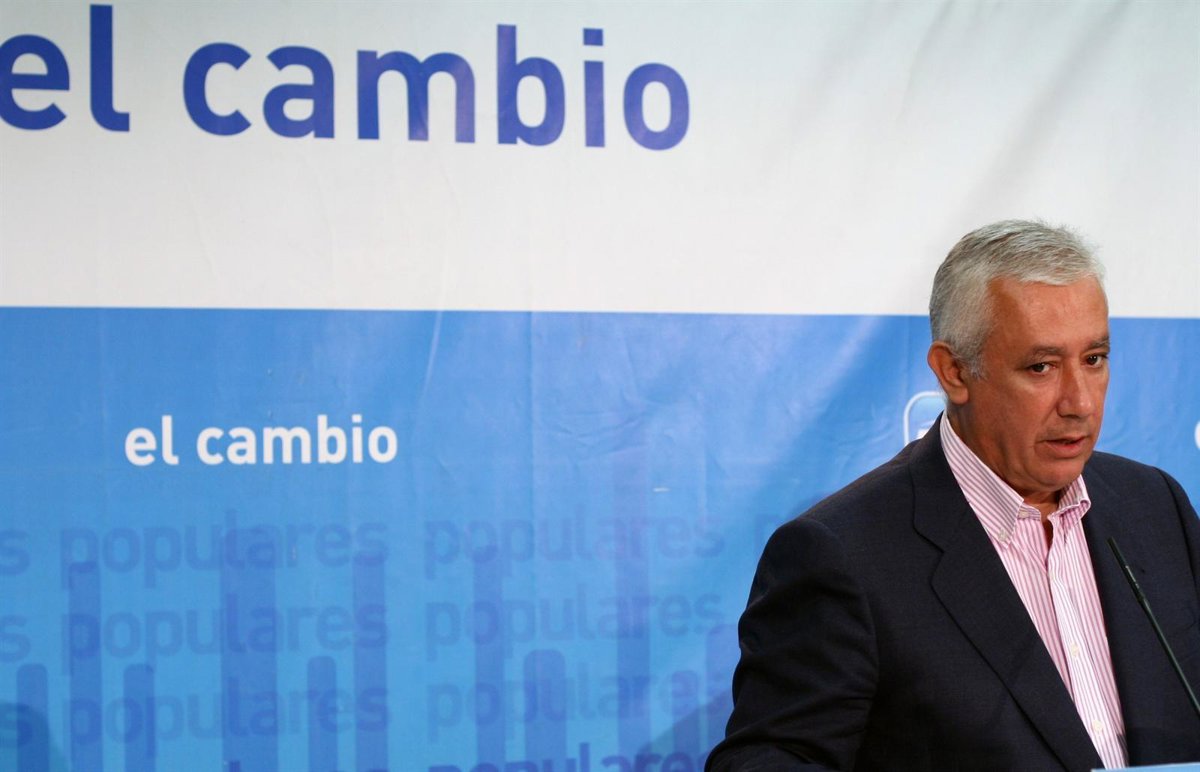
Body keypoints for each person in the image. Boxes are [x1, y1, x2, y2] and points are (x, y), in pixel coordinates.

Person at [707, 221, 1200, 771]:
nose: (1080, 402)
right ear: (954, 372)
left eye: (1094, 359)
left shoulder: (1154, 505)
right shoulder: (843, 554)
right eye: (1041, 367)